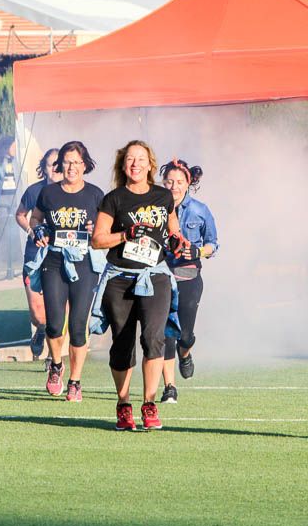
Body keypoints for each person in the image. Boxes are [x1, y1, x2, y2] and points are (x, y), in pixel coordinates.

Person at [91, 140, 184, 431]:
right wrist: (125, 234)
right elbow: (97, 240)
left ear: (150, 164)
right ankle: (123, 404)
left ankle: (150, 403)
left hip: (154, 275)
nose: (135, 164)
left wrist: (180, 244)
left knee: (154, 338)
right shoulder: (113, 199)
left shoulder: (162, 196)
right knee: (122, 343)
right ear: (123, 165)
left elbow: (174, 232)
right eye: (130, 159)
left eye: (141, 159)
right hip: (120, 277)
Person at [29, 141, 104, 402]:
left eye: (76, 162)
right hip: (54, 261)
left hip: (84, 263)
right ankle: (56, 366)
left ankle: (75, 381)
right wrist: (38, 230)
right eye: (67, 162)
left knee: (78, 325)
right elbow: (35, 218)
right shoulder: (49, 193)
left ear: (85, 165)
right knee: (54, 323)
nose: (71, 167)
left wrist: (97, 230)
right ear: (60, 164)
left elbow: (105, 228)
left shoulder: (95, 194)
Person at [158, 158, 219, 405]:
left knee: (184, 334)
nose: (174, 186)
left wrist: (196, 251)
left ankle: (186, 353)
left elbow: (213, 245)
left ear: (188, 183)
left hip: (189, 276)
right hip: (161, 275)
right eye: (169, 181)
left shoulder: (200, 210)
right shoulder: (156, 208)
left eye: (179, 181)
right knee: (165, 333)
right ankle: (169, 387)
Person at [16, 148, 62, 358]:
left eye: (57, 164)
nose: (54, 168)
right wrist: (31, 229)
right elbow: (20, 214)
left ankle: (54, 358)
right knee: (37, 312)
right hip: (35, 253)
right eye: (49, 164)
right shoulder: (34, 191)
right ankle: (40, 330)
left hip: (60, 256)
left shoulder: (70, 192)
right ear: (43, 167)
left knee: (59, 309)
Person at [0, 136, 19, 204]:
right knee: (3, 213)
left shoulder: (17, 161)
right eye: (13, 147)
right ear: (6, 147)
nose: (15, 149)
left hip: (15, 194)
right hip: (3, 194)